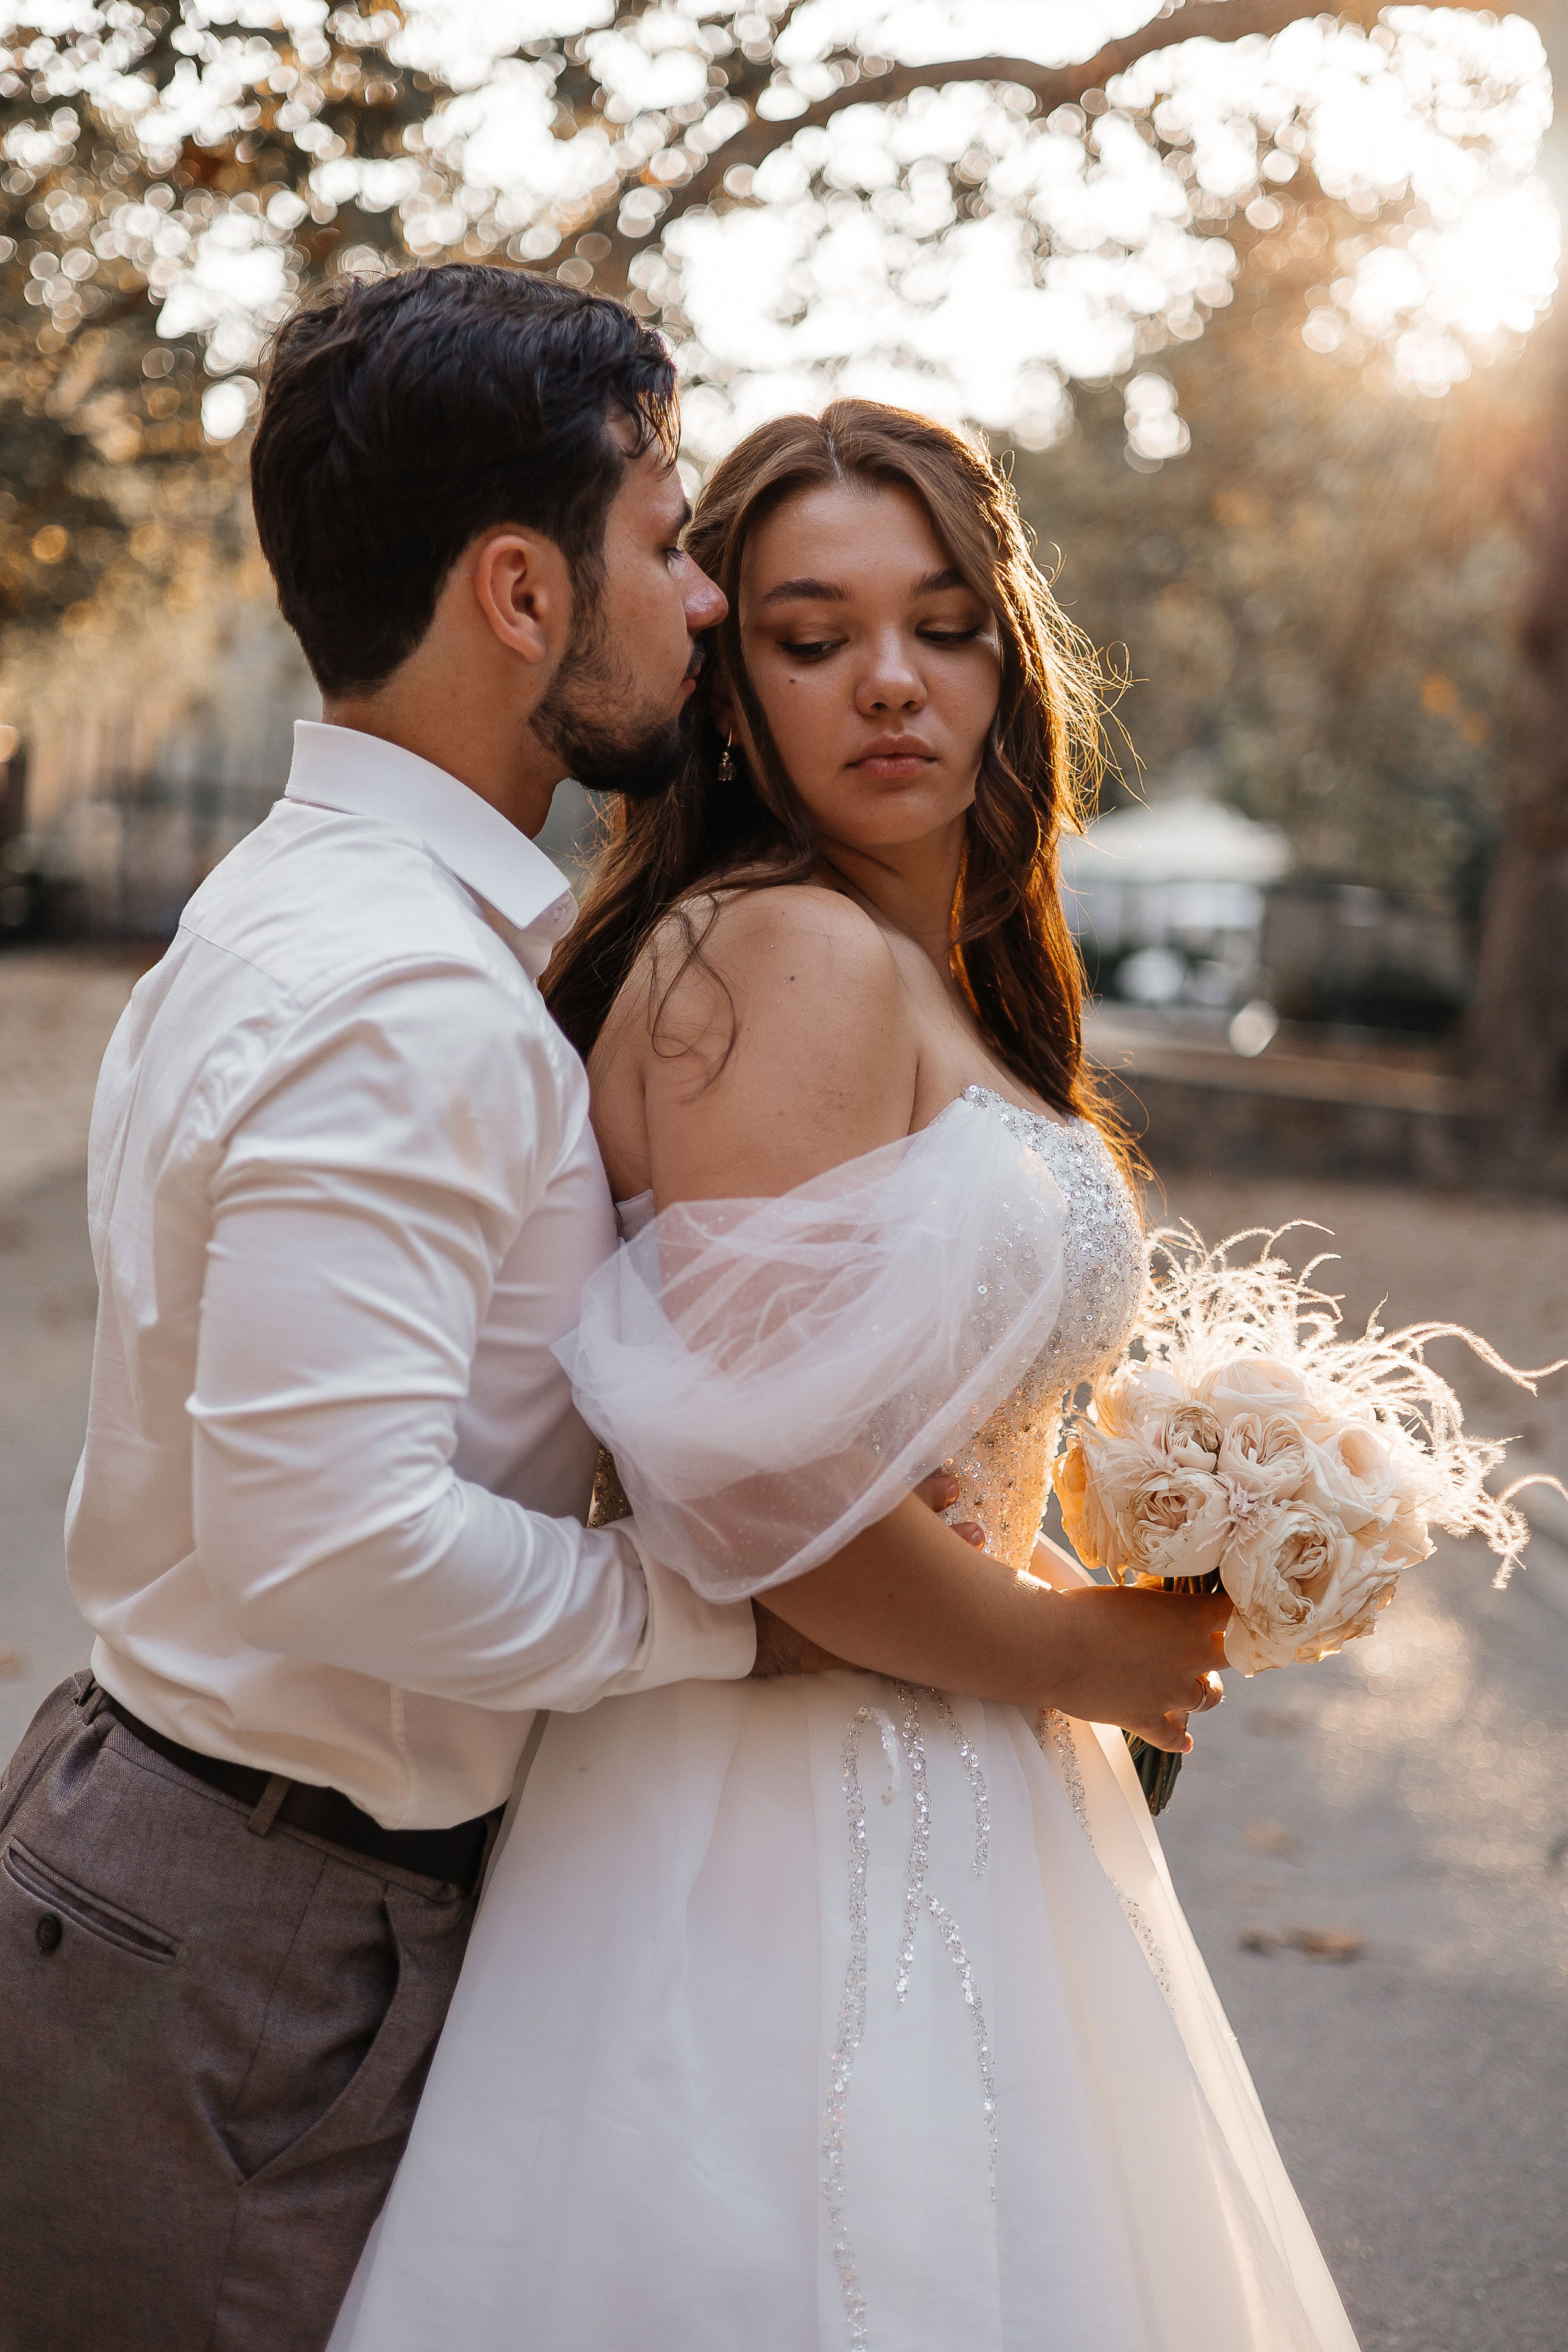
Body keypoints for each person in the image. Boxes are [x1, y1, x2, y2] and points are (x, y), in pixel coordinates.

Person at [0, 277, 1223, 2352]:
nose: (708, 604)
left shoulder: (378, 927)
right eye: (677, 544)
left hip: (277, 1875)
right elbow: (335, 1534)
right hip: (249, 1923)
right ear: (517, 592)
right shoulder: (406, 992)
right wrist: (753, 1613)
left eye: (938, 626)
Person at [331, 402, 1359, 2350]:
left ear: (1007, 658)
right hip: (787, 1824)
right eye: (812, 637)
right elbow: (758, 1509)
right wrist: (1086, 1656)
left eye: (945, 622)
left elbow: (884, 1418)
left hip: (967, 1769)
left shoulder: (925, 970)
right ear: (732, 688)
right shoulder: (780, 953)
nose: (891, 682)